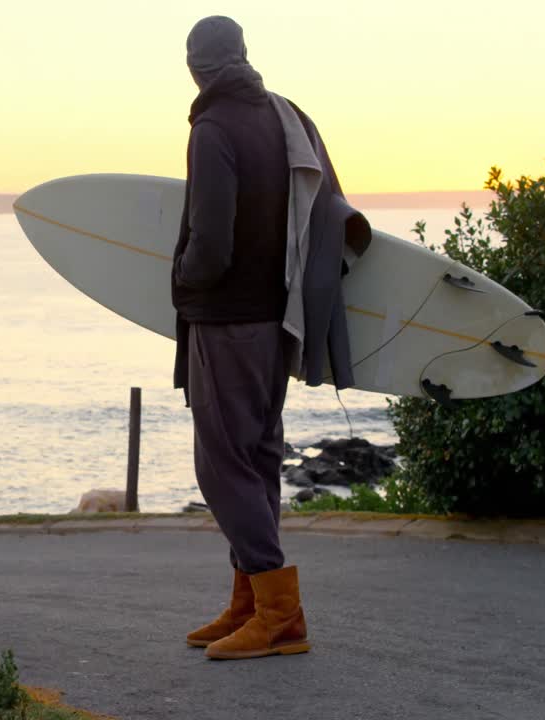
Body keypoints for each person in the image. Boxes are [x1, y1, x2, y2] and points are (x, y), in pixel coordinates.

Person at [172, 16, 370, 661]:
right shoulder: (280, 116)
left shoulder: (214, 129)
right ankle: (250, 602)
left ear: (195, 66)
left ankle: (281, 615)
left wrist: (182, 278)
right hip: (277, 318)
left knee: (223, 464)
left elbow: (211, 243)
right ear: (244, 57)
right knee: (257, 457)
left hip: (226, 320)